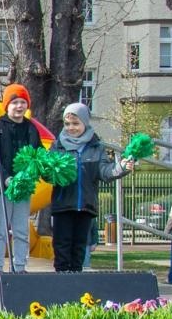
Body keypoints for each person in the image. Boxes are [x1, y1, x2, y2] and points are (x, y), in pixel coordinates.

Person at [50, 103, 134, 273]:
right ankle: (61, 282)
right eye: (67, 124)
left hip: (86, 207)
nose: (71, 128)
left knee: (80, 248)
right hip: (63, 205)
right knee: (62, 246)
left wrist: (122, 167)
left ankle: (76, 283)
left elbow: (105, 171)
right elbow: (48, 173)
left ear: (85, 123)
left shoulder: (96, 147)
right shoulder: (57, 147)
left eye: (75, 124)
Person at [0, 84, 53, 272]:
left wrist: (47, 169)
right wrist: (7, 178)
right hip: (4, 188)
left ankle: (19, 267)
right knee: (0, 232)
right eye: (15, 102)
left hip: (23, 188)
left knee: (21, 231)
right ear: (6, 105)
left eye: (22, 102)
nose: (19, 106)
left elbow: (39, 153)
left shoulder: (31, 128)